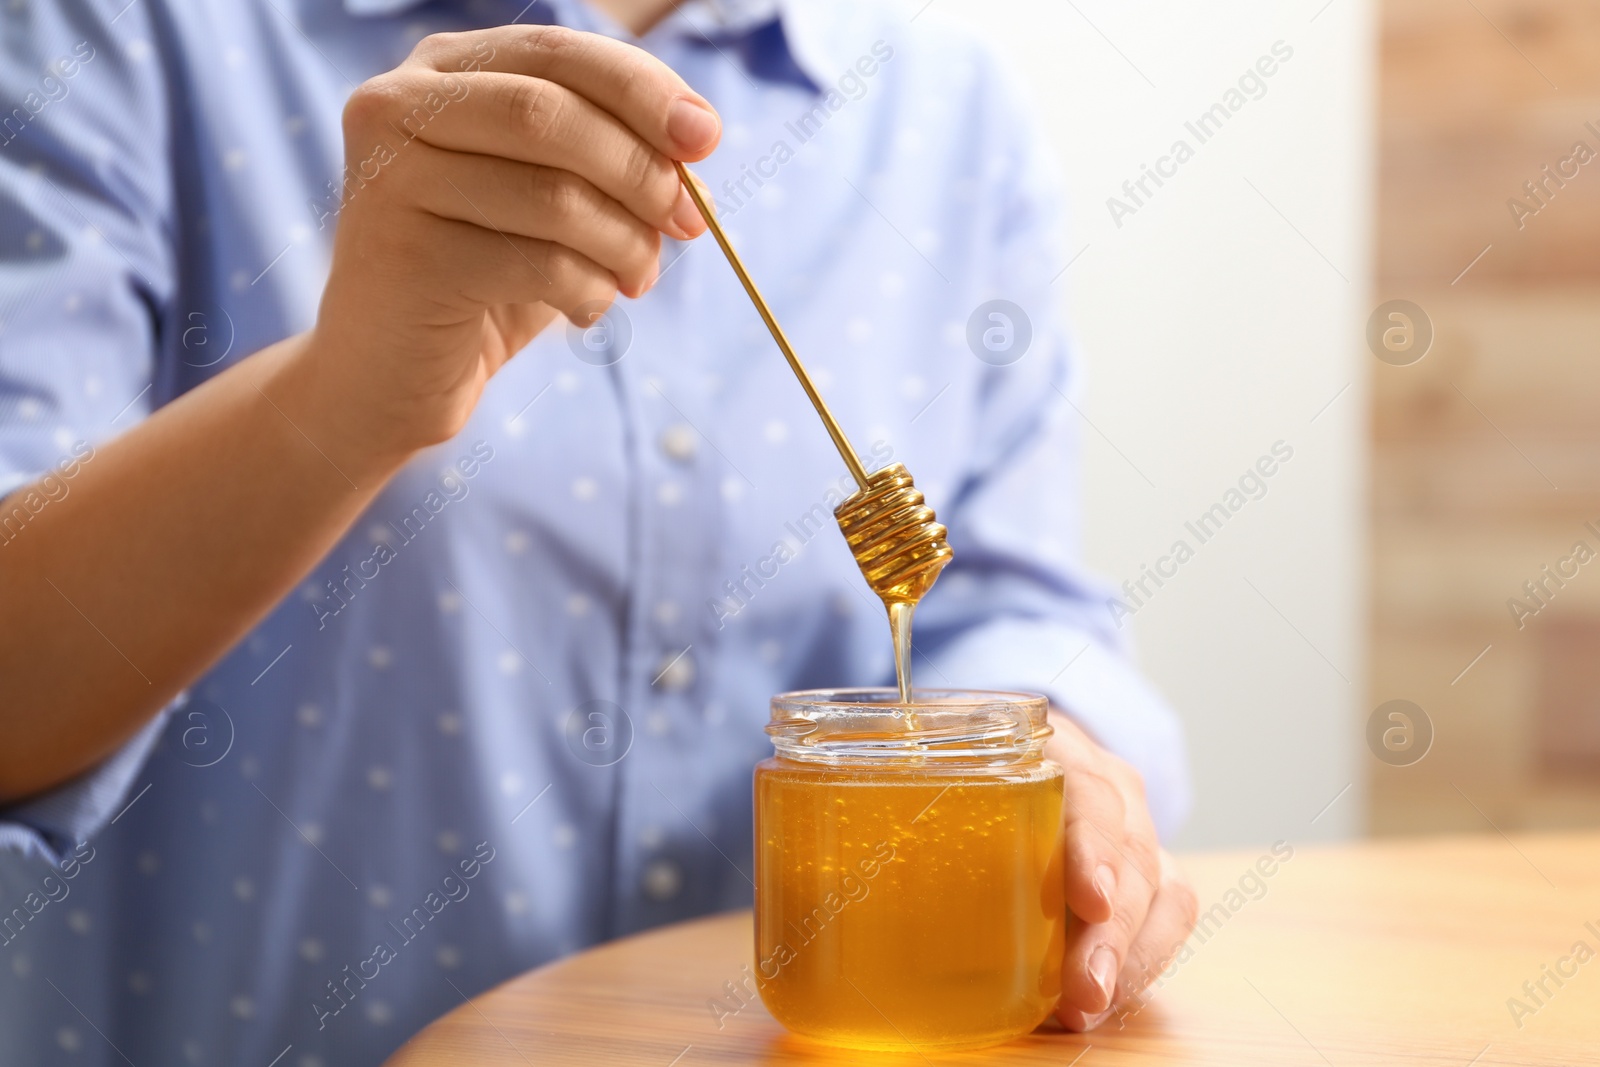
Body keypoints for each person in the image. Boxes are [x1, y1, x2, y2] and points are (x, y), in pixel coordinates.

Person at [0, 0, 1196, 1062]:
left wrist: (1061, 757)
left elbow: (1008, 601)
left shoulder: (949, 107)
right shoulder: (125, 32)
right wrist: (339, 401)